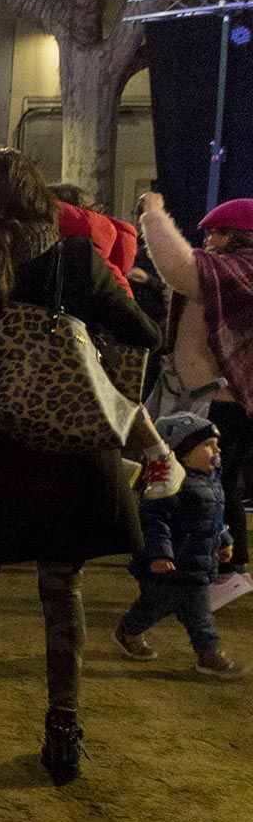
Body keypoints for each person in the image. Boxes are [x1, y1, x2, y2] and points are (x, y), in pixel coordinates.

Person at [0, 148, 161, 788]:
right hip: (78, 448)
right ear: (39, 198)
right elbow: (143, 335)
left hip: (6, 447)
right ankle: (63, 737)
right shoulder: (80, 260)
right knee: (61, 589)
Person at [138, 193, 253, 608]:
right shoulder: (233, 271)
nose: (208, 241)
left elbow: (179, 267)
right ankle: (224, 568)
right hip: (226, 399)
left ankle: (226, 570)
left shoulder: (239, 270)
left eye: (217, 232)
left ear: (239, 236)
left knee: (209, 488)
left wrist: (154, 214)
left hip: (221, 401)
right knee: (217, 486)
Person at [114, 413, 245, 678]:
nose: (217, 450)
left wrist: (224, 540)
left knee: (194, 613)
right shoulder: (168, 485)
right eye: (208, 444)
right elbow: (154, 522)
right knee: (158, 606)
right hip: (169, 568)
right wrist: (160, 555)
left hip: (195, 567)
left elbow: (214, 519)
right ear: (182, 452)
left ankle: (206, 654)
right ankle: (131, 631)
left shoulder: (211, 482)